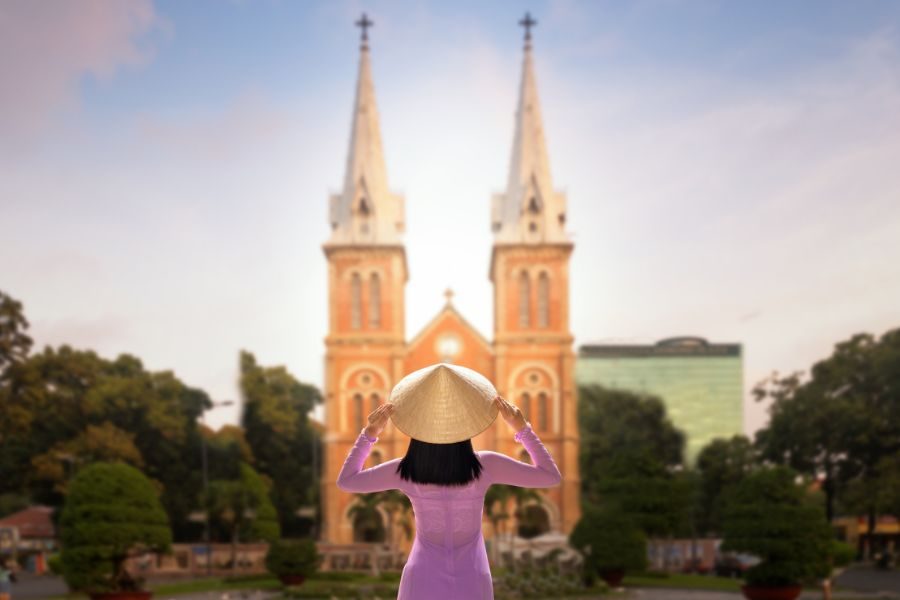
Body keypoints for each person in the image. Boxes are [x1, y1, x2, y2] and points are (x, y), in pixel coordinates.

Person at [337, 363, 562, 600]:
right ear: (464, 426)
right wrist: (521, 429)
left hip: (421, 577)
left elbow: (347, 481)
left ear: (417, 429)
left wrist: (370, 434)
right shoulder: (486, 466)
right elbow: (550, 476)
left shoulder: (405, 471)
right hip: (473, 578)